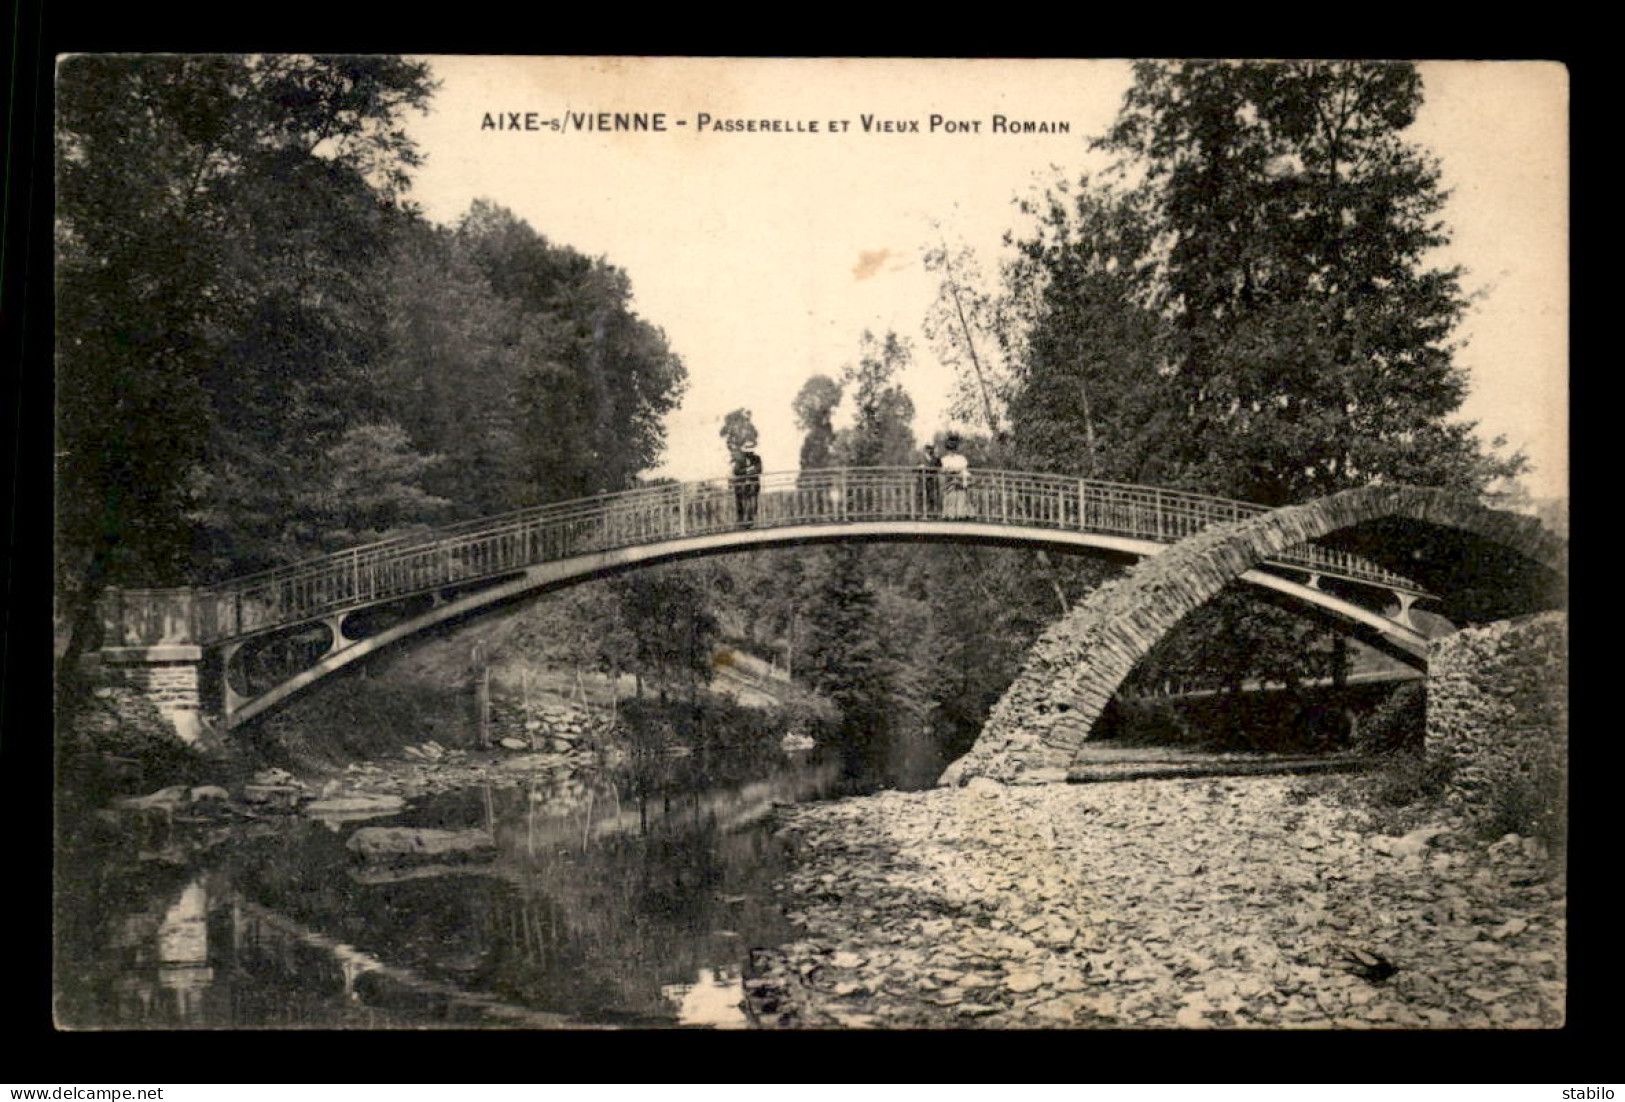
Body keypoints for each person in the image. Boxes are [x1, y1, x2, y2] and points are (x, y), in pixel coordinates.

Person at [940, 434, 969, 519]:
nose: (951, 451)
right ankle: (949, 516)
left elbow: (963, 468)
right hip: (949, 483)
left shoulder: (961, 458)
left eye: (953, 449)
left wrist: (953, 470)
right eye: (949, 449)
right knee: (950, 500)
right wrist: (952, 470)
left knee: (961, 500)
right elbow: (944, 469)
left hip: (960, 482)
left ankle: (960, 516)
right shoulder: (944, 459)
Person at [733, 445, 763, 526]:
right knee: (741, 503)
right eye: (747, 452)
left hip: (753, 484)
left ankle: (751, 520)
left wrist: (747, 471)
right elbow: (736, 471)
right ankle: (741, 520)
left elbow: (759, 469)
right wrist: (748, 470)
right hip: (741, 485)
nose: (749, 453)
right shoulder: (740, 460)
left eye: (751, 452)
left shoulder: (757, 458)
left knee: (753, 502)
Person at [920, 443, 942, 516]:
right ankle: (923, 513)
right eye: (926, 449)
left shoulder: (935, 458)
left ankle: (934, 513)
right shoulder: (921, 458)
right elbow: (914, 468)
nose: (928, 451)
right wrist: (919, 467)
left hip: (932, 480)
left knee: (933, 497)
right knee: (922, 497)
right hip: (922, 480)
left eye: (929, 449)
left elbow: (939, 466)